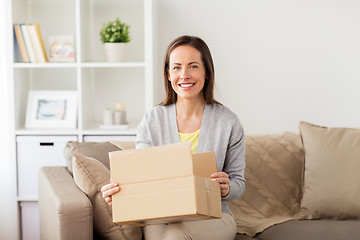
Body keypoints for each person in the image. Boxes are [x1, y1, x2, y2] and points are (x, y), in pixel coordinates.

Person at [101, 35, 246, 240]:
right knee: (166, 233)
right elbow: (143, 178)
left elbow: (239, 183)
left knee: (175, 236)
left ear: (207, 72)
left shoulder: (228, 122)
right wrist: (121, 193)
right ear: (168, 74)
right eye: (176, 67)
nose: (184, 75)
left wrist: (227, 188)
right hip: (161, 215)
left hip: (214, 215)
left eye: (193, 66)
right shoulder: (152, 121)